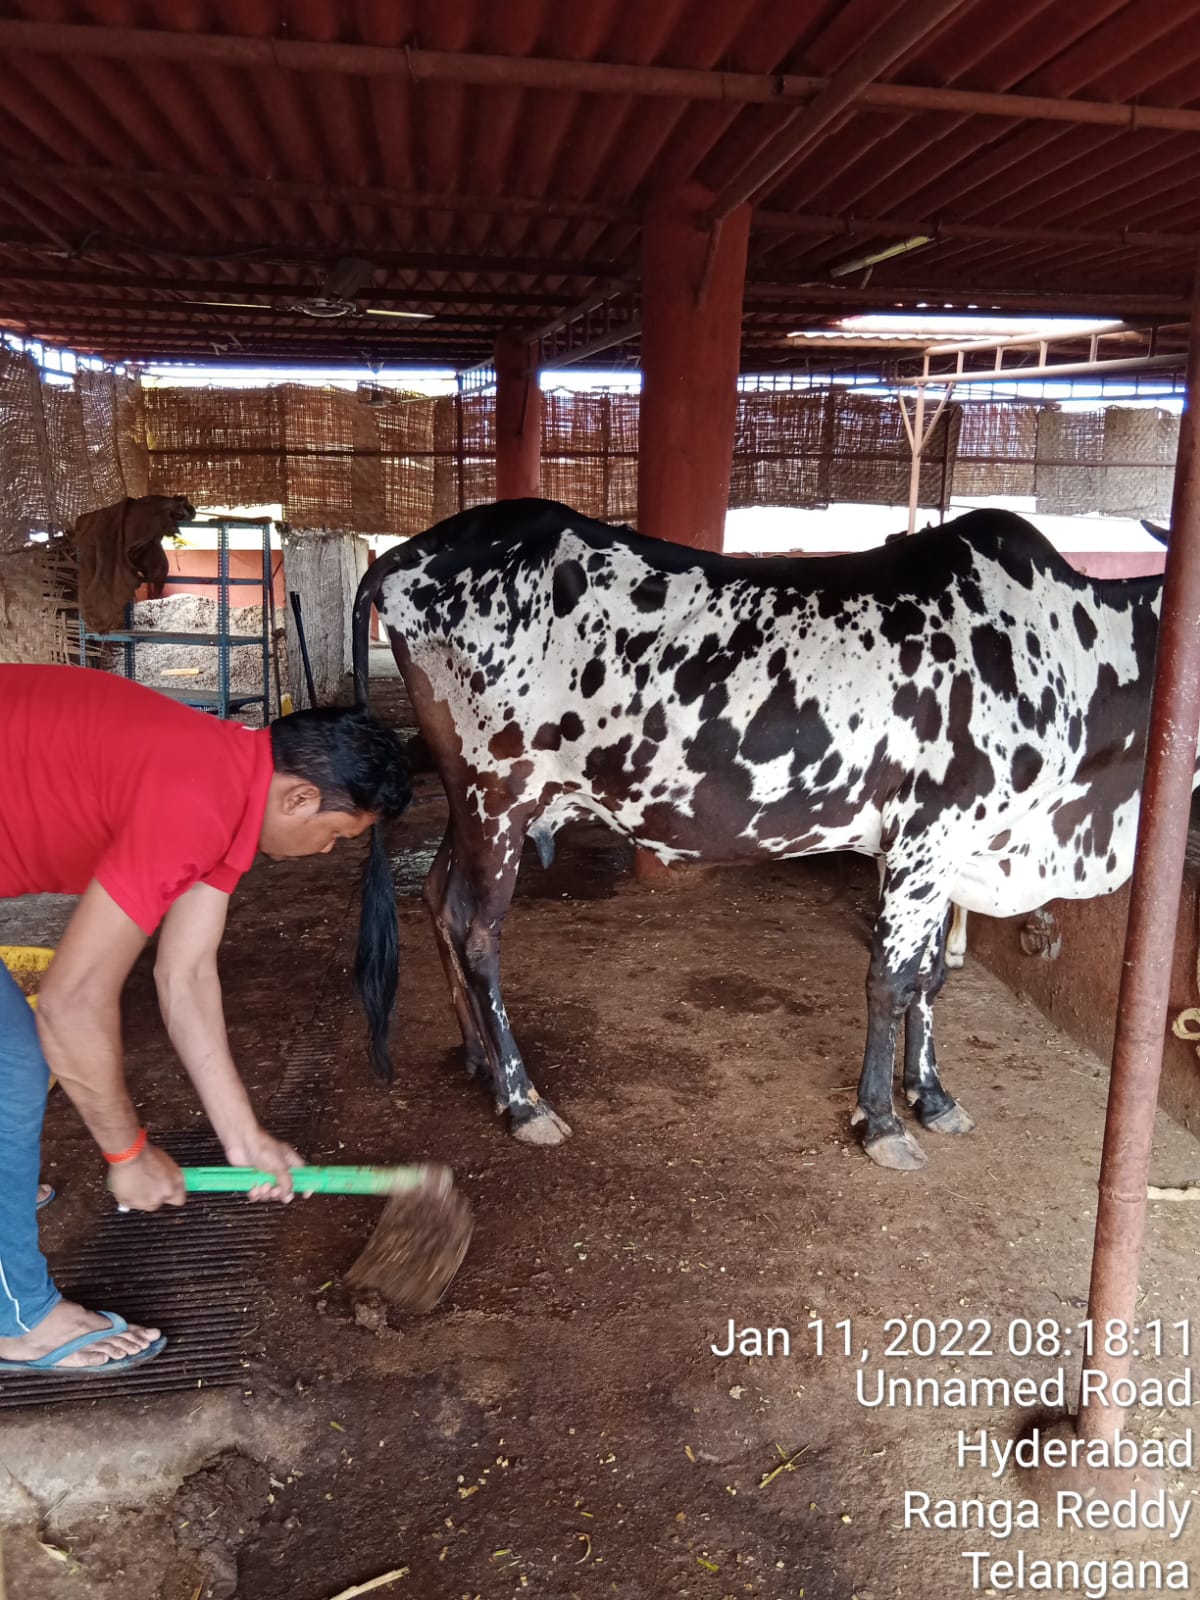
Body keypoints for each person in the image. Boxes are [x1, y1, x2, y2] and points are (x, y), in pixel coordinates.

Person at [0, 665, 410, 1375]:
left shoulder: (225, 779)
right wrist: (126, 1155)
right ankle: (15, 1316)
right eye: (337, 835)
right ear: (299, 797)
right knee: (11, 1070)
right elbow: (70, 1001)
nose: (327, 851)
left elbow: (185, 974)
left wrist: (244, 1137)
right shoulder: (196, 800)